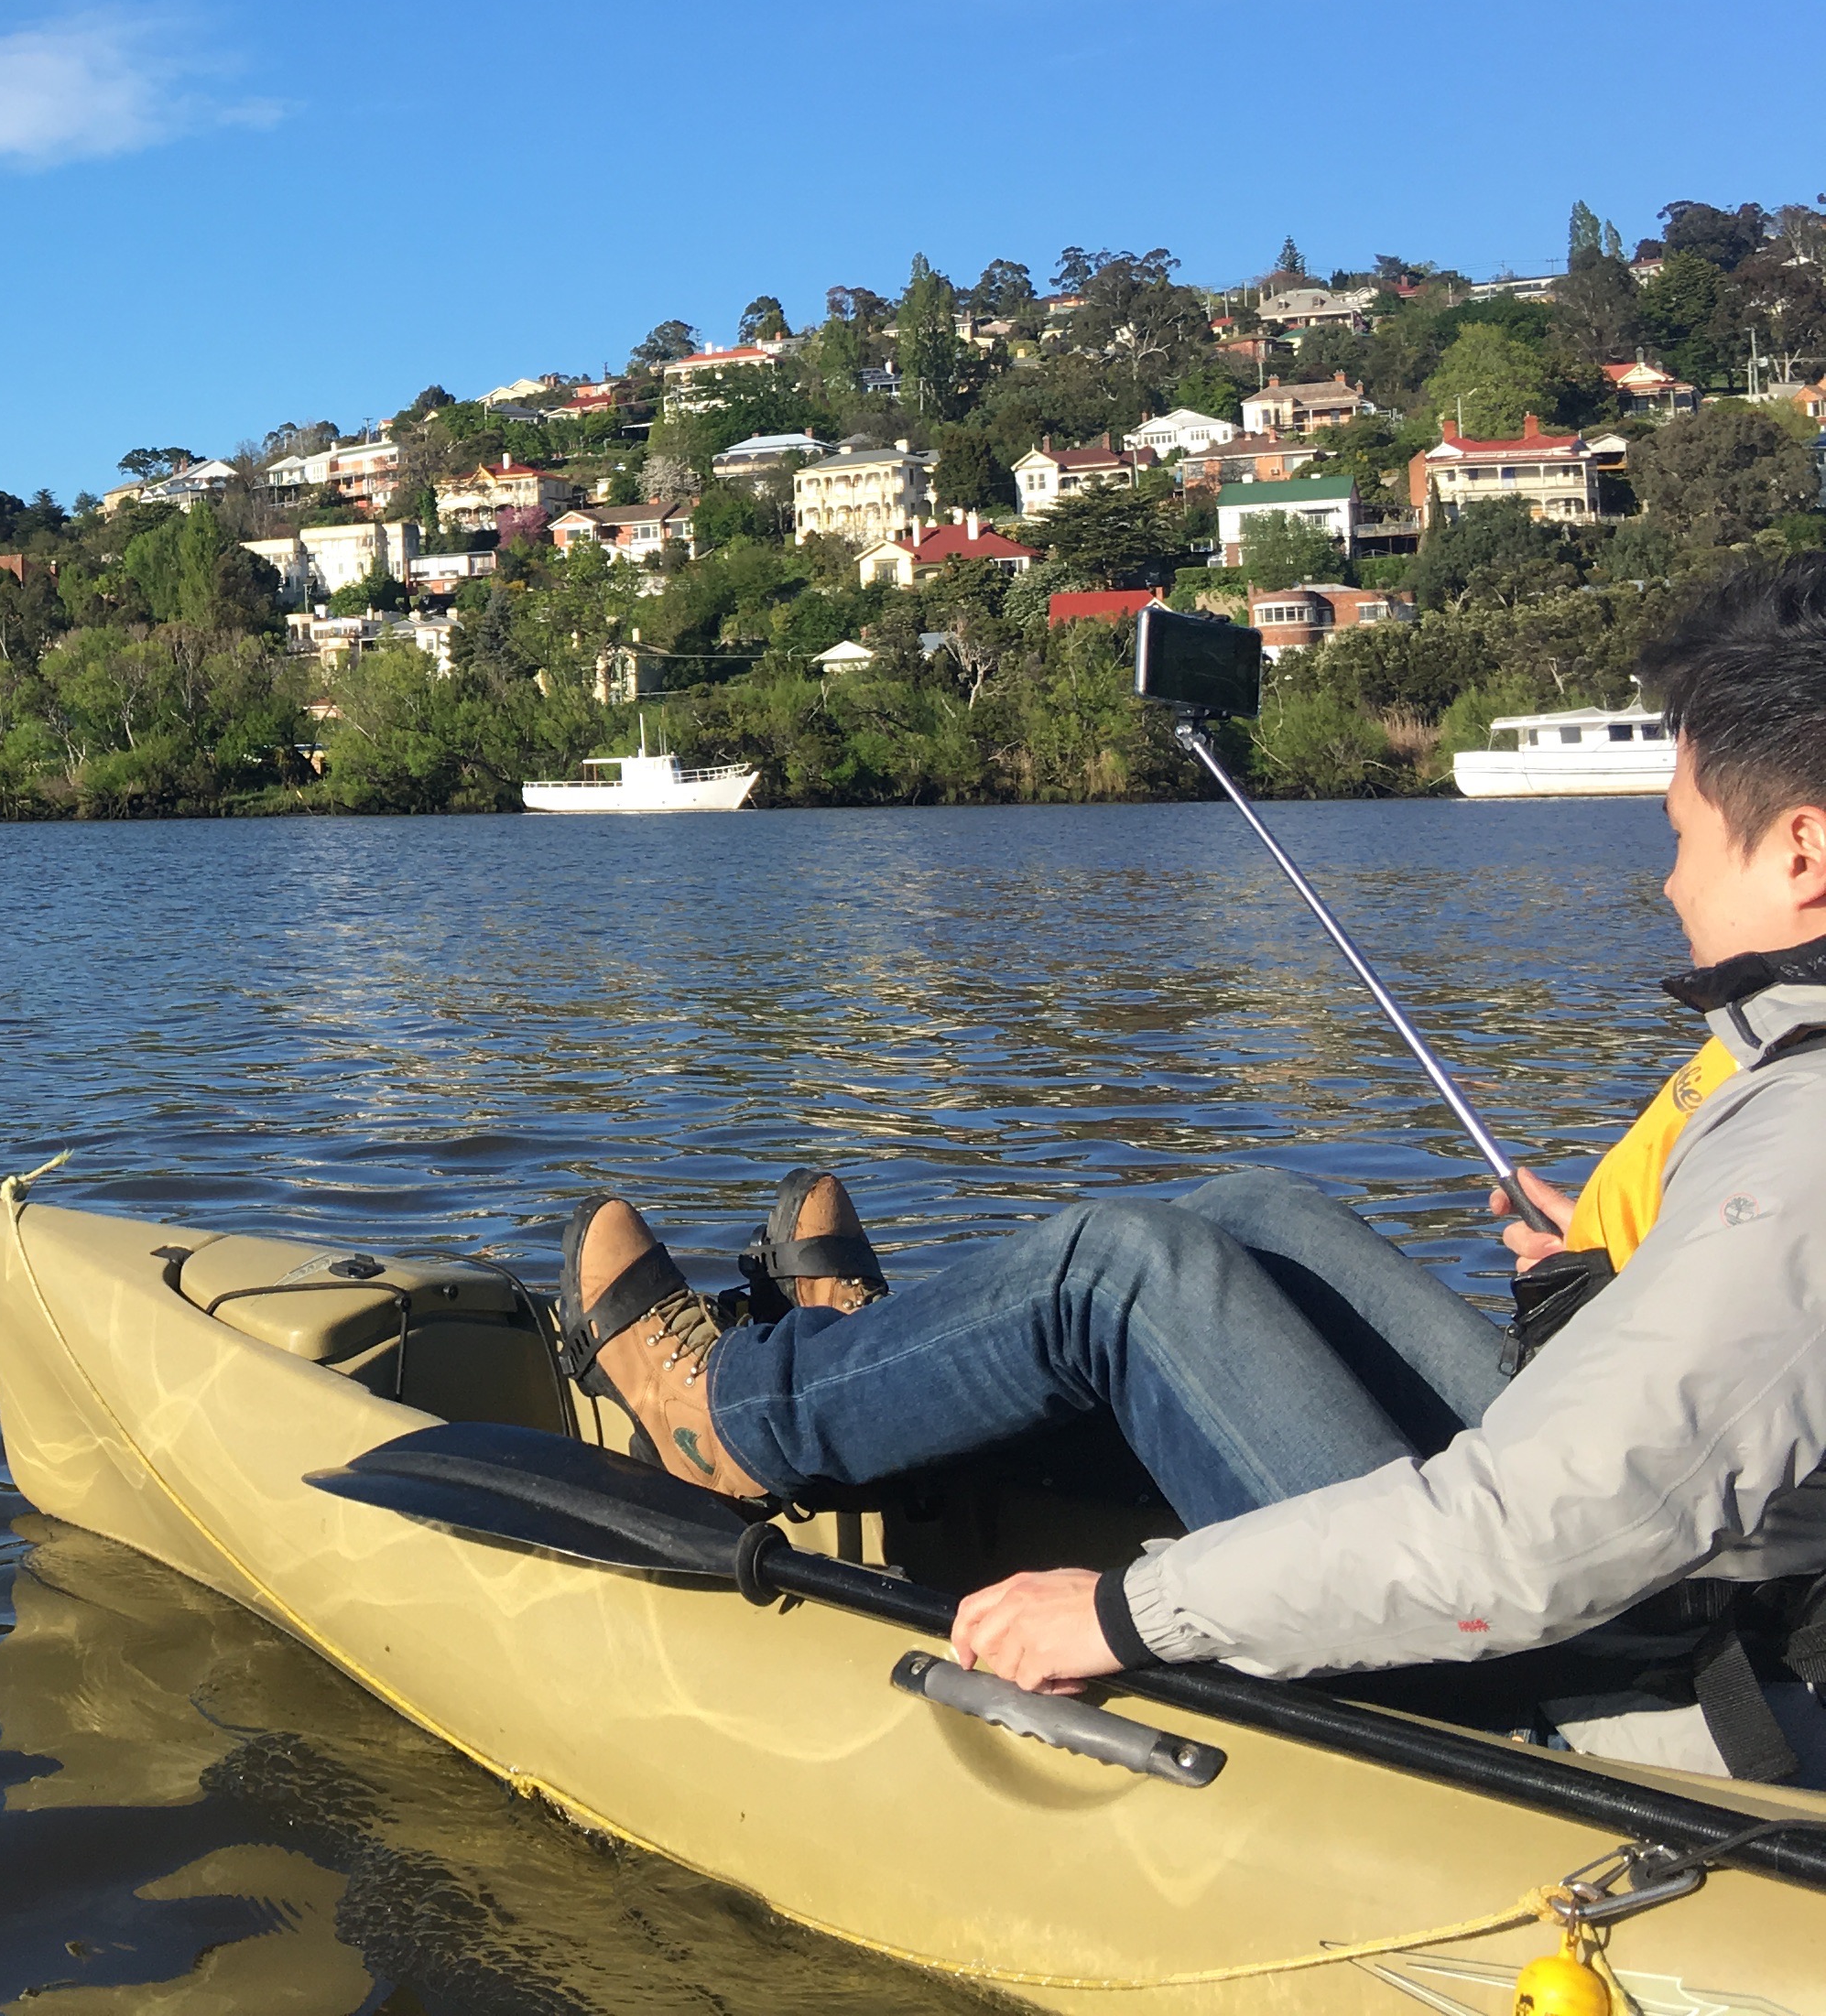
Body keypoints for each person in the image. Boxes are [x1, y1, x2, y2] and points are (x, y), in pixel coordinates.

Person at [558, 551, 1826, 1777]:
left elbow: (1529, 1544)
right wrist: (1635, 1294)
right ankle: (868, 1383)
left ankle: (734, 1421)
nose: (1664, 881)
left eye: (1683, 834)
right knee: (1254, 1214)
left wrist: (1126, 1614)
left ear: (1803, 853)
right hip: (1679, 1570)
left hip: (1643, 1675)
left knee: (1113, 1276)